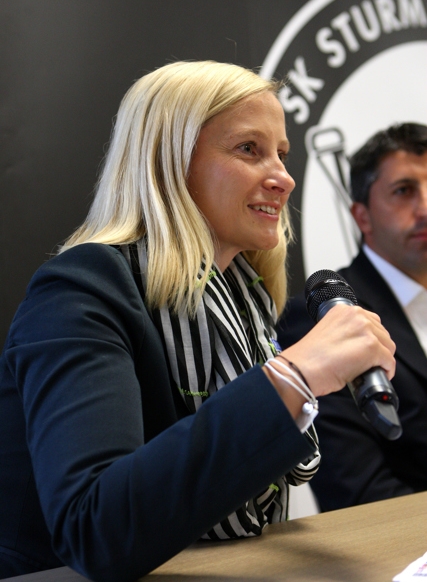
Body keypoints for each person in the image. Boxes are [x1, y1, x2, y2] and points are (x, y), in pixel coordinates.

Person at [0, 61, 395, 581]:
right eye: (249, 149)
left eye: (281, 153)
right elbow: (93, 528)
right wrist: (292, 378)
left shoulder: (243, 295)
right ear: (167, 164)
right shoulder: (80, 288)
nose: (283, 176)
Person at [278, 122, 427, 511]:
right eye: (404, 191)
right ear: (361, 216)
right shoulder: (324, 317)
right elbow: (359, 495)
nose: (425, 207)